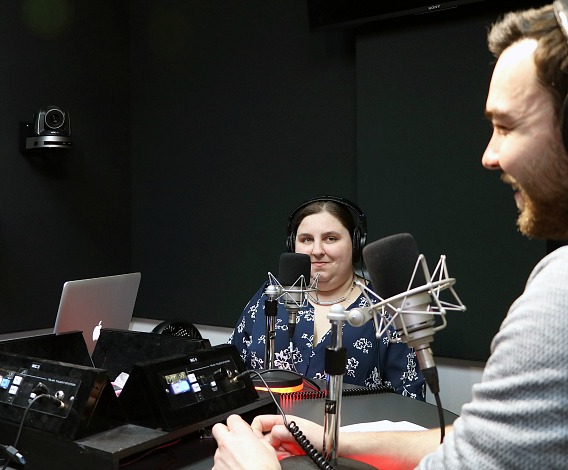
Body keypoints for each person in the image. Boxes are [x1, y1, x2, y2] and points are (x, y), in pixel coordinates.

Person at [212, 3, 568, 469]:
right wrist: (333, 438)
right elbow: (468, 444)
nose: (489, 155)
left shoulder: (557, 300)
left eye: (507, 126)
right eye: (305, 240)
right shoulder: (269, 300)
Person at [229, 196, 425, 399]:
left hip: (350, 429)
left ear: (356, 244)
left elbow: (409, 398)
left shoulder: (384, 308)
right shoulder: (271, 294)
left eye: (330, 238)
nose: (317, 251)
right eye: (306, 239)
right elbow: (232, 372)